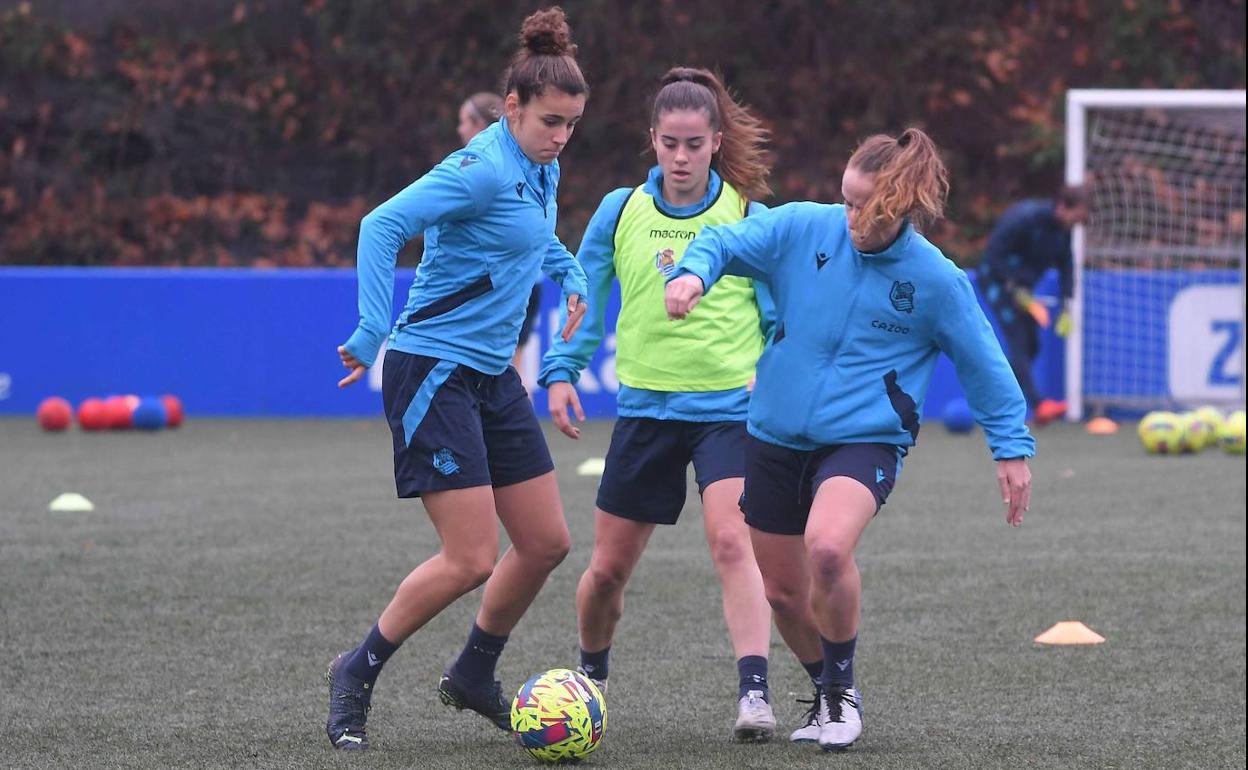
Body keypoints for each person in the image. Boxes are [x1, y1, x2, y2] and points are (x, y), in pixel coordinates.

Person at [664, 128, 1035, 752]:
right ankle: (829, 693)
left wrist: (1012, 447)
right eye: (847, 200)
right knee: (782, 590)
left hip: (865, 440)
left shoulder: (936, 281)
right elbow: (726, 238)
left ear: (901, 208)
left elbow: (985, 364)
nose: (853, 216)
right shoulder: (807, 229)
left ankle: (840, 693)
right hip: (774, 433)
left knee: (828, 549)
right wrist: (695, 274)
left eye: (867, 206)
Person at [326, 7, 590, 751]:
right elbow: (381, 225)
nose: (561, 136)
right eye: (550, 122)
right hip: (433, 370)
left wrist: (568, 273)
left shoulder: (542, 164)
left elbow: (534, 240)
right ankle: (356, 670)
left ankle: (473, 673)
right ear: (512, 109)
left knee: (544, 542)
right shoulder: (477, 168)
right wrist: (373, 328)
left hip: (490, 376)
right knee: (471, 557)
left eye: (572, 123)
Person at [539, 67, 826, 744]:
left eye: (695, 143)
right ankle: (591, 678)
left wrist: (774, 376)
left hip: (729, 412)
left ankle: (754, 693)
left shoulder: (746, 218)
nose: (681, 156)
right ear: (652, 140)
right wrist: (561, 371)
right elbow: (586, 298)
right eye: (670, 142)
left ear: (715, 141)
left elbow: (779, 316)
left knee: (733, 542)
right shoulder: (619, 211)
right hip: (644, 412)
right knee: (607, 572)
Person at [978, 185, 1088, 425]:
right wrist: (1012, 287)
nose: (1077, 224)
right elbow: (994, 254)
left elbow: (1066, 264)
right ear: (1062, 207)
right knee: (1018, 339)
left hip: (1023, 288)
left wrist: (1067, 303)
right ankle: (1039, 405)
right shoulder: (1024, 219)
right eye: (1076, 218)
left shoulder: (1062, 230)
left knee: (1032, 344)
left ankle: (998, 399)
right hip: (997, 281)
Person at [455, 89, 543, 381]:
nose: (460, 129)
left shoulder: (488, 168)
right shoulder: (502, 163)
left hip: (510, 278)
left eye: (465, 121)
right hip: (524, 278)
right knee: (506, 368)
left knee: (505, 370)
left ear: (480, 124)